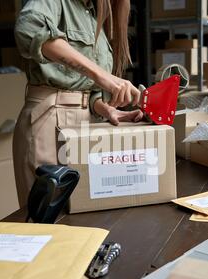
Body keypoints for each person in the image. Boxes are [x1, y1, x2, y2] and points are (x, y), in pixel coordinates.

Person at [13, 0, 143, 207]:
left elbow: (83, 87)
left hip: (87, 122)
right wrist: (102, 76)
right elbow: (28, 29)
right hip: (52, 117)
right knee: (50, 218)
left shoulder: (92, 16)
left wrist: (105, 109)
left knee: (84, 210)